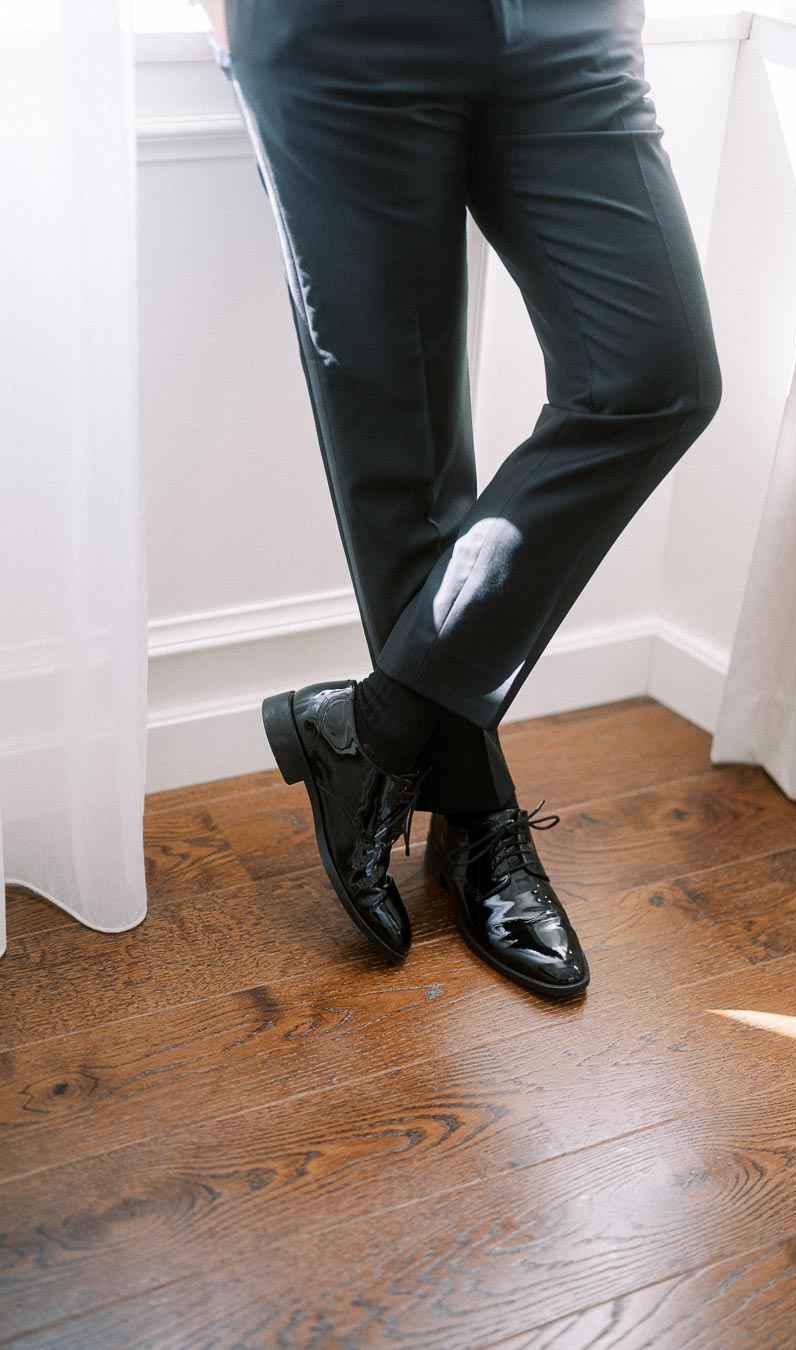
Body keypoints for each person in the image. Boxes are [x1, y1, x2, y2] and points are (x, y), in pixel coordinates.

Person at [193, 0, 722, 999]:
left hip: (565, 25)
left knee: (658, 378)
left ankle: (375, 727)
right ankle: (475, 821)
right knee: (406, 456)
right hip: (342, 33)